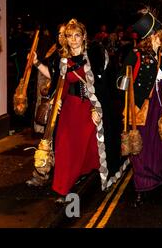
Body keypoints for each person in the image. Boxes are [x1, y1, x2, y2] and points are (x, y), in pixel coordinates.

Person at [31, 19, 128, 201]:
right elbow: (57, 83)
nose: (73, 40)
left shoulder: (96, 56)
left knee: (90, 148)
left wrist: (98, 109)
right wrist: (55, 99)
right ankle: (62, 188)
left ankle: (86, 175)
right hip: (70, 110)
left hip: (89, 110)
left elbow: (104, 87)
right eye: (69, 36)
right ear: (65, 39)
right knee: (65, 147)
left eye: (77, 35)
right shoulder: (62, 59)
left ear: (84, 37)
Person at [121, 12, 162, 206]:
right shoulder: (136, 54)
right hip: (141, 107)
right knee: (141, 147)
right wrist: (125, 81)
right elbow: (121, 79)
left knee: (159, 143)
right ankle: (142, 186)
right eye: (159, 33)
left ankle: (160, 178)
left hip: (160, 105)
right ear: (153, 36)